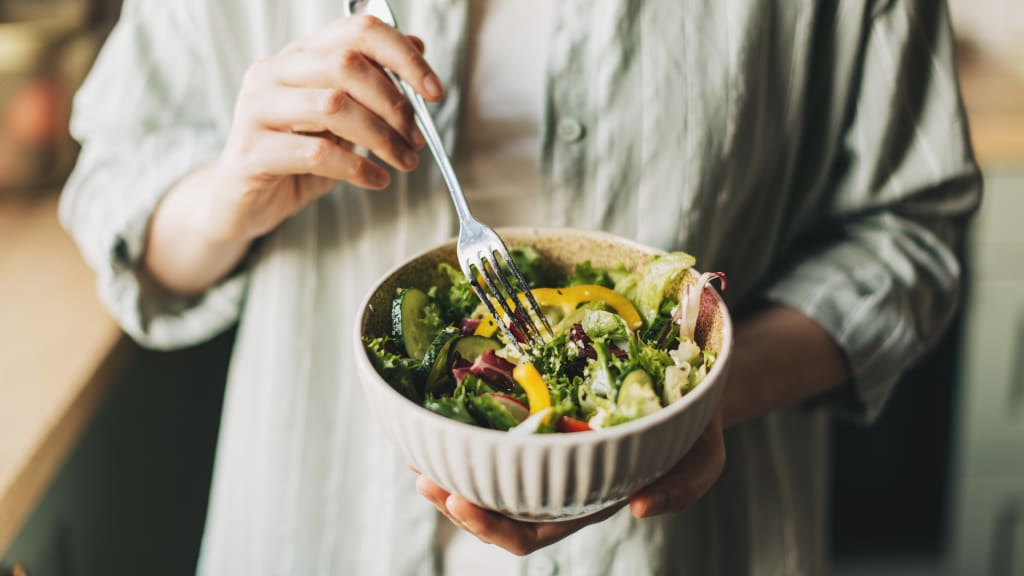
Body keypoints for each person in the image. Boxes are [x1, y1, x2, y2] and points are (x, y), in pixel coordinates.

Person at [61, 0, 980, 574]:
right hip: (317, 521)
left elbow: (913, 234)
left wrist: (702, 401)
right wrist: (232, 194)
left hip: (687, 545)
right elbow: (115, 195)